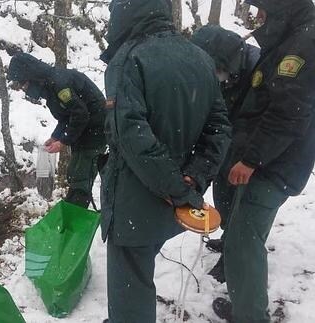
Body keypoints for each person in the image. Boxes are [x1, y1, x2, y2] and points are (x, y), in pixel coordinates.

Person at [99, 0, 231, 321]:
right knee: (139, 272)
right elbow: (220, 128)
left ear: (127, 13)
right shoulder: (198, 56)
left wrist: (177, 188)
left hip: (137, 198)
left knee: (130, 279)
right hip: (174, 194)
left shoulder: (129, 59)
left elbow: (131, 136)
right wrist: (194, 178)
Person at [211, 0, 315, 321]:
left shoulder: (301, 45)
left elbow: (288, 113)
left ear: (280, 10)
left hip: (275, 164)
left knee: (243, 240)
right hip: (268, 160)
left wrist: (252, 159)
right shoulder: (287, 40)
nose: (258, 19)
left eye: (263, 12)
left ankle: (251, 316)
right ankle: (246, 305)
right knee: (244, 235)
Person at [191, 24, 261, 282]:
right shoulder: (221, 67)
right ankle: (228, 236)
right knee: (222, 192)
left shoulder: (258, 69)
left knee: (240, 203)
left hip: (249, 151)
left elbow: (258, 120)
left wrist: (244, 156)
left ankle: (232, 257)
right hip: (228, 142)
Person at [7, 53, 106, 208]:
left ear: (31, 77)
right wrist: (56, 137)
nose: (23, 88)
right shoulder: (49, 87)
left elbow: (80, 114)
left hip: (95, 131)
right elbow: (66, 117)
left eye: (23, 83)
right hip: (84, 131)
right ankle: (75, 211)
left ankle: (75, 218)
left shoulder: (59, 84)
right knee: (76, 174)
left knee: (80, 176)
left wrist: (63, 141)